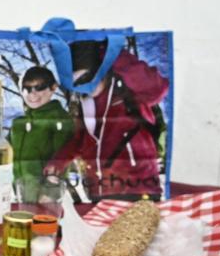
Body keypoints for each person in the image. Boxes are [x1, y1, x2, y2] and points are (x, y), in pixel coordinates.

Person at [45, 39, 169, 198]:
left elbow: (158, 88)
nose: (84, 87)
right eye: (76, 84)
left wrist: (111, 54)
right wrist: (59, 162)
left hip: (138, 190)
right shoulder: (85, 103)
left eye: (86, 78)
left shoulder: (129, 93)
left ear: (101, 69)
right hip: (100, 191)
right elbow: (79, 140)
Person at [7, 64, 72, 203]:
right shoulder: (18, 124)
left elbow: (63, 157)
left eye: (40, 87)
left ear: (53, 88)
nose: (33, 93)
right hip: (20, 194)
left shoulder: (59, 119)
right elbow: (3, 154)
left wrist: (50, 192)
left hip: (45, 199)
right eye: (27, 88)